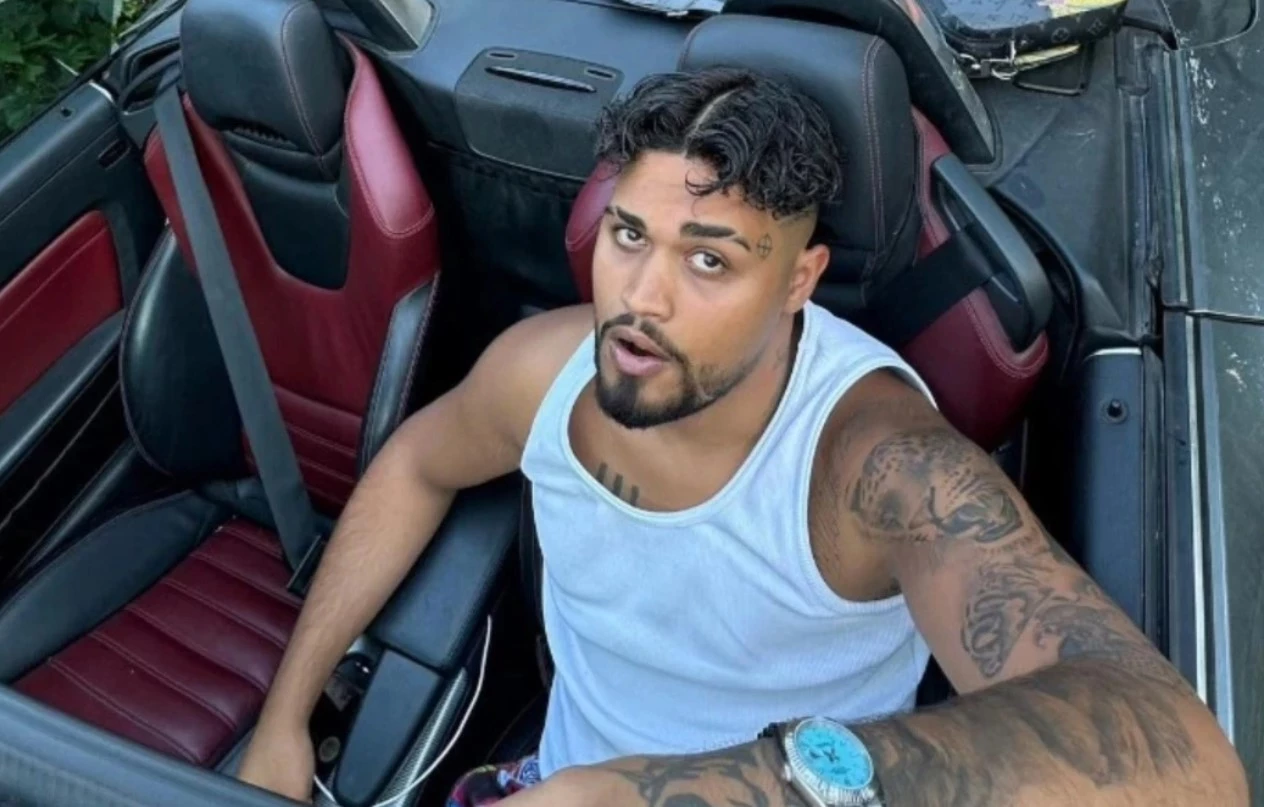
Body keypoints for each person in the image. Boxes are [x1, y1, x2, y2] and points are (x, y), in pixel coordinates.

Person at [237, 67, 1247, 807]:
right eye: (630, 235)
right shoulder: (543, 371)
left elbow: (1182, 759)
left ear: (799, 280)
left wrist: (719, 787)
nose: (642, 299)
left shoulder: (872, 463)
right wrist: (285, 717)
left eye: (710, 261)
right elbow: (416, 463)